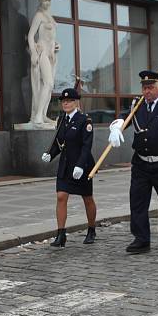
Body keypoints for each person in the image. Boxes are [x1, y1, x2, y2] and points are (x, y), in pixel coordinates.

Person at [108, 70, 158, 253]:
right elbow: (124, 117)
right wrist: (116, 128)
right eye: (144, 88)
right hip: (141, 163)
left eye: (151, 87)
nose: (147, 92)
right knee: (137, 202)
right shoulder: (138, 104)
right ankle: (141, 239)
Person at [41, 88, 97, 247]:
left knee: (87, 198)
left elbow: (87, 146)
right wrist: (50, 155)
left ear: (76, 102)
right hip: (65, 165)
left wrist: (80, 165)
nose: (66, 103)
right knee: (61, 196)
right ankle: (61, 234)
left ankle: (91, 229)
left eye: (69, 101)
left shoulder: (84, 120)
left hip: (82, 165)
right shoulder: (61, 120)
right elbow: (60, 144)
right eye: (63, 101)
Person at [27, 0, 60, 125]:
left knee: (47, 86)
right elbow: (30, 36)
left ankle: (43, 114)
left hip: (52, 54)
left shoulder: (50, 17)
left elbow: (52, 37)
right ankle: (38, 116)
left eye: (49, 0)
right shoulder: (39, 16)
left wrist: (57, 45)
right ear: (40, 1)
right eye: (45, 0)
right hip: (42, 52)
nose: (47, 3)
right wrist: (34, 53)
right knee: (48, 83)